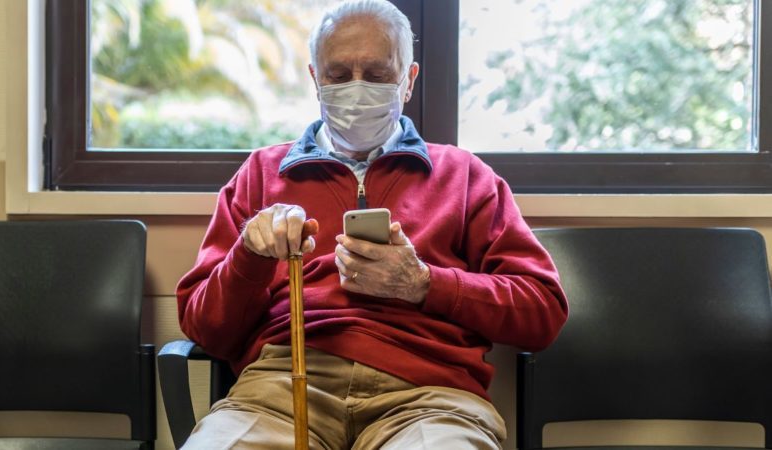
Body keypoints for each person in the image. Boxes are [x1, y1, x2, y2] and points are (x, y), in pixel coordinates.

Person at [175, 1, 568, 448]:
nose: (356, 90)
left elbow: (543, 312)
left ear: (408, 81)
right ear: (314, 78)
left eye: (378, 75)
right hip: (282, 388)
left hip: (429, 397)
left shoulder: (465, 177)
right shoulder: (262, 172)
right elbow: (204, 327)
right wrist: (249, 256)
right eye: (339, 76)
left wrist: (423, 283)